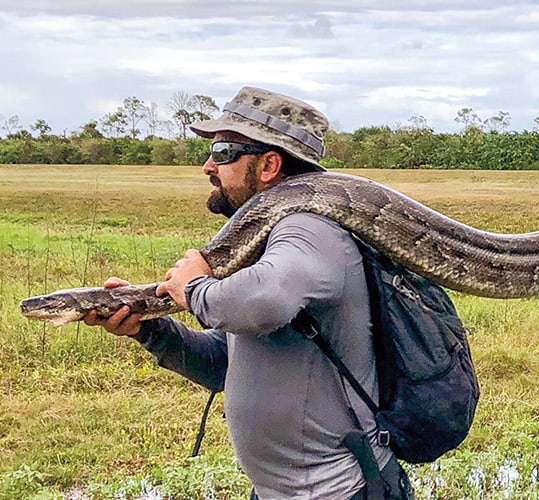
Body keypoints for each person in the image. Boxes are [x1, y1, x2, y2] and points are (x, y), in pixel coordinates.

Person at [82, 87, 412, 500]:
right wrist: (148, 330)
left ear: (270, 164)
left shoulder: (309, 229)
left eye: (223, 152)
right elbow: (223, 364)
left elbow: (264, 303)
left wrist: (193, 290)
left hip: (341, 492)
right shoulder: (266, 240)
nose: (208, 165)